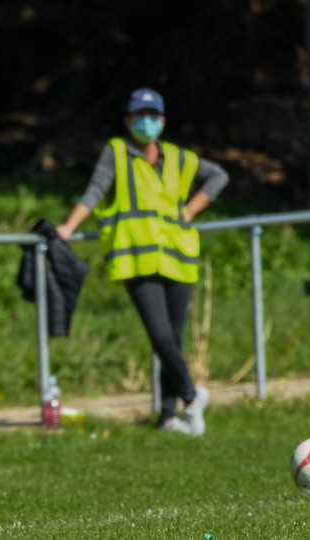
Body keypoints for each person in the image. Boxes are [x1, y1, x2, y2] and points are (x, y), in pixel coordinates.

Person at [56, 88, 229, 436]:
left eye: (152, 117)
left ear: (162, 121)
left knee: (174, 340)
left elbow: (218, 176)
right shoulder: (116, 153)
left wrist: (190, 209)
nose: (145, 123)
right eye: (138, 117)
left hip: (179, 258)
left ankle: (169, 417)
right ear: (127, 121)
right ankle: (193, 398)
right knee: (161, 337)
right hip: (136, 260)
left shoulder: (178, 158)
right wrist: (69, 226)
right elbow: (94, 190)